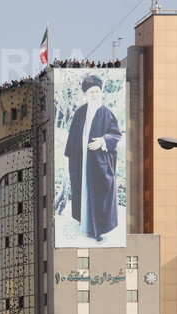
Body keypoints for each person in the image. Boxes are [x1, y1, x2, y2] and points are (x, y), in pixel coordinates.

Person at [63, 73, 122, 244]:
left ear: (101, 92)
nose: (94, 95)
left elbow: (116, 135)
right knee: (82, 189)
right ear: (86, 95)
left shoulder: (107, 114)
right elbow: (73, 136)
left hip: (99, 163)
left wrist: (103, 141)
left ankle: (100, 230)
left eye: (97, 91)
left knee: (100, 193)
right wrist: (72, 159)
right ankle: (85, 223)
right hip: (81, 161)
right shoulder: (80, 113)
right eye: (91, 92)